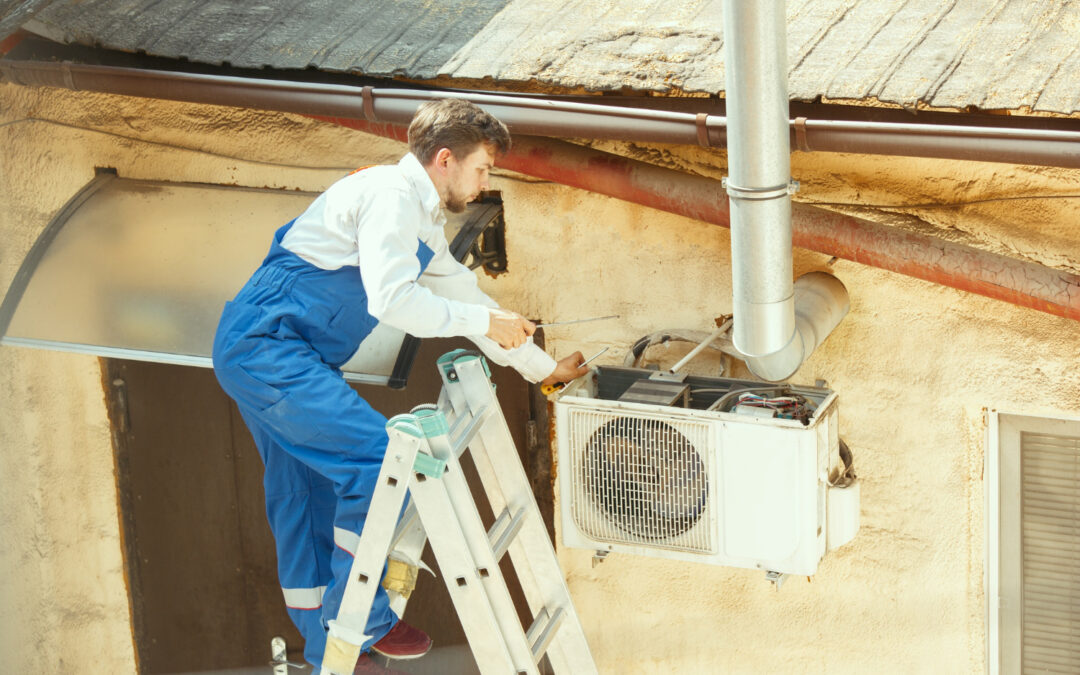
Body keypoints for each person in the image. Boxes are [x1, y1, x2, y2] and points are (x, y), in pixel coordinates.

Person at [211, 98, 587, 674]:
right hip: (268, 349)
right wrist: (484, 321)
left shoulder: (419, 217)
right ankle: (356, 626)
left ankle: (329, 653)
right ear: (446, 159)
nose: (485, 184)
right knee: (379, 461)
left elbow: (463, 296)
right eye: (483, 168)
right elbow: (394, 301)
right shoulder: (389, 197)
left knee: (303, 492)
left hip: (287, 354)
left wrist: (543, 369)